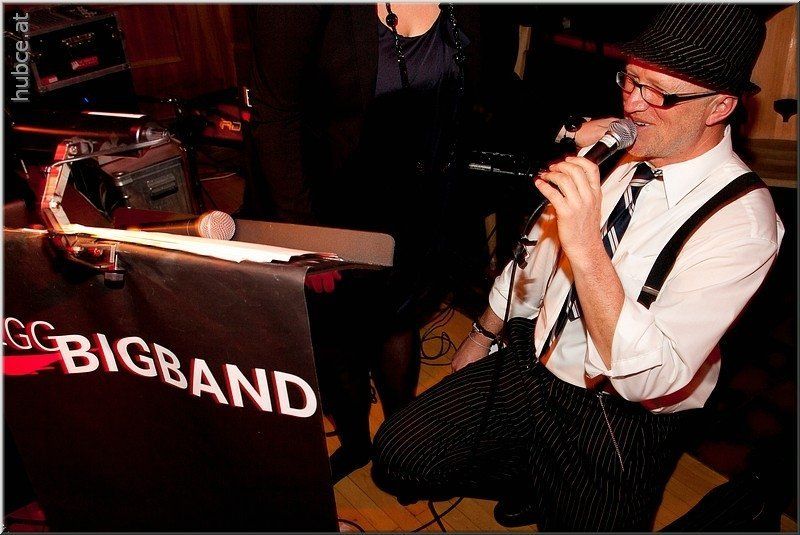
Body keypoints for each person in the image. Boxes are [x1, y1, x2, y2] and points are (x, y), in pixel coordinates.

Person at [371, 4, 785, 531]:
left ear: (720, 106)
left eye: (659, 93)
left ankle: (564, 486)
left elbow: (649, 377)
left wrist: (587, 244)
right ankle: (536, 474)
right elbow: (538, 253)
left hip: (619, 414)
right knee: (399, 456)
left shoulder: (743, 222)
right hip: (534, 359)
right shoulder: (620, 148)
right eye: (630, 80)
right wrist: (483, 333)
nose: (632, 104)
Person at [243, 4, 517, 482]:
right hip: (327, 204)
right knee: (336, 337)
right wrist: (308, 238)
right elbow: (275, 112)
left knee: (398, 319)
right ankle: (355, 444)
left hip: (419, 199)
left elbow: (494, 85)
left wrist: (568, 126)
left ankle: (399, 443)